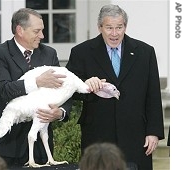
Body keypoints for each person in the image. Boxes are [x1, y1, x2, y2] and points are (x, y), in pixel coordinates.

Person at [66, 4, 164, 170]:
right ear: (100, 27)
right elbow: (68, 89)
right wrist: (85, 85)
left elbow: (153, 94)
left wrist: (153, 132)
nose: (114, 33)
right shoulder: (81, 52)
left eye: (119, 27)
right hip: (97, 134)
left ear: (125, 26)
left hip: (135, 134)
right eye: (109, 27)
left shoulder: (145, 52)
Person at [0, 8, 72, 168]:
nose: (42, 36)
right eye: (37, 31)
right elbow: (2, 89)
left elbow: (63, 89)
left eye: (42, 31)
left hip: (40, 146)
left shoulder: (49, 53)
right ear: (20, 30)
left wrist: (61, 113)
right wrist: (37, 82)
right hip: (7, 144)